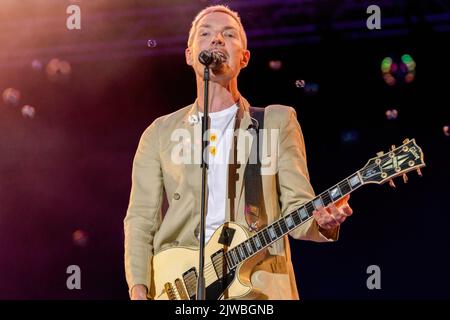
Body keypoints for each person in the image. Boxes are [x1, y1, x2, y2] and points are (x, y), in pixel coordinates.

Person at [124, 4, 353, 300]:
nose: (217, 39)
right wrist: (139, 289)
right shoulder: (160, 133)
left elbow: (299, 207)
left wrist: (321, 223)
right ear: (189, 54)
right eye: (205, 33)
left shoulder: (276, 122)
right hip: (179, 287)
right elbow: (141, 219)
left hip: (259, 289)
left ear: (244, 58)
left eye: (229, 34)